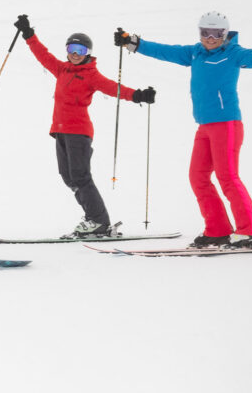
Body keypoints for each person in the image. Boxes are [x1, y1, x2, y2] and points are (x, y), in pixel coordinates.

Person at [116, 12, 252, 249]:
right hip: (204, 126)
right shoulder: (195, 52)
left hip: (227, 125)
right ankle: (218, 230)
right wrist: (134, 43)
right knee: (198, 177)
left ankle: (250, 231)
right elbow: (165, 51)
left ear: (225, 34)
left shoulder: (234, 54)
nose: (210, 38)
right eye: (205, 33)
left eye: (216, 34)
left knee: (228, 178)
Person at [15, 15, 154, 237]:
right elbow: (43, 55)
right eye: (71, 48)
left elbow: (113, 88)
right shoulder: (61, 69)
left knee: (80, 176)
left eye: (80, 49)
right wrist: (29, 35)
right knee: (67, 176)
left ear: (87, 52)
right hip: (60, 131)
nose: (75, 53)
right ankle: (93, 218)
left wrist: (137, 95)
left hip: (78, 132)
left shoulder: (91, 75)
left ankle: (99, 221)